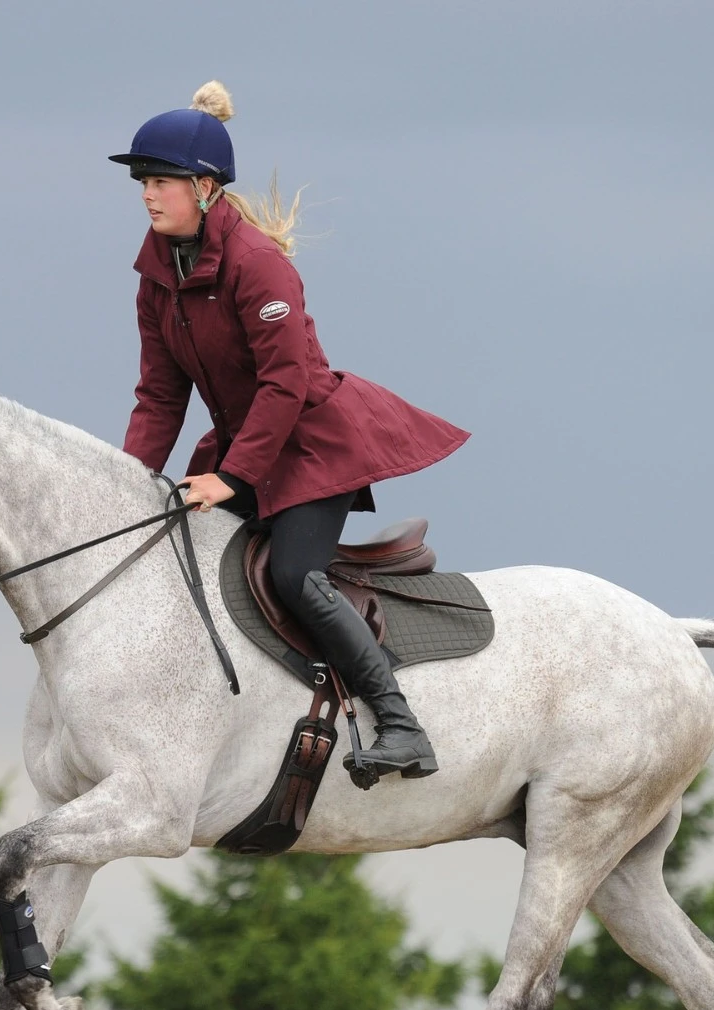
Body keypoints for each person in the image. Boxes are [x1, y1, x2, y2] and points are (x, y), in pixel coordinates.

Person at [112, 81, 469, 780]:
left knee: (294, 574)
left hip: (309, 443)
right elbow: (159, 395)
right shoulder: (157, 278)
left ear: (206, 188)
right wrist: (124, 484)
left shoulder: (257, 264)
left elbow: (285, 386)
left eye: (161, 181)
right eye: (143, 182)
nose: (148, 195)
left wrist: (232, 477)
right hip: (246, 445)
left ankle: (401, 725)